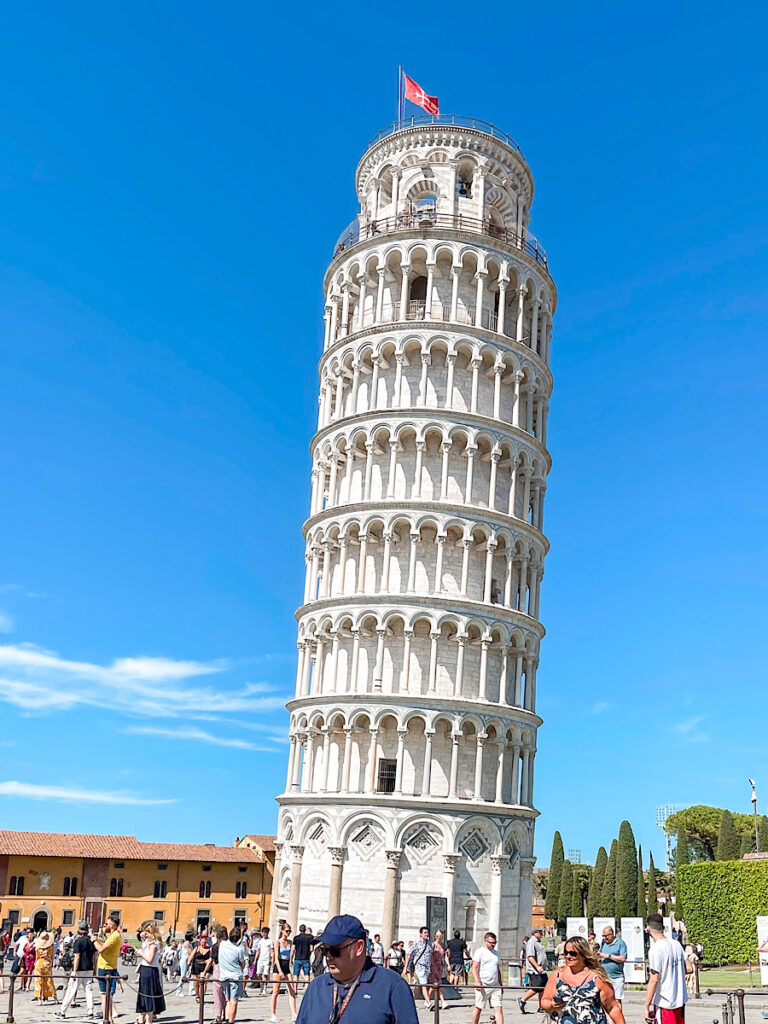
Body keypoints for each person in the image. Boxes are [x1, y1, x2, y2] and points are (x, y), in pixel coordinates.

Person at [294, 913, 418, 1024]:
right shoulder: (316, 986)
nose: (328, 957)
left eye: (334, 950)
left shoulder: (393, 986)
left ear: (359, 947)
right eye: (324, 950)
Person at [541, 936, 625, 1024]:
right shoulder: (557, 975)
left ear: (583, 955)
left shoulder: (597, 978)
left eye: (573, 953)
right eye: (566, 953)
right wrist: (552, 1005)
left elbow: (613, 1008)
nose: (568, 956)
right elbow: (545, 1001)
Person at [644, 913, 691, 1024]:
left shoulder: (656, 949)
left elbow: (654, 980)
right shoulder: (676, 944)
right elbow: (689, 968)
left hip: (665, 1001)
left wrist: (646, 1005)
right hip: (680, 999)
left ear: (648, 929)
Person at [56, 919, 96, 1020]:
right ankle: (90, 1011)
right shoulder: (91, 942)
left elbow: (77, 956)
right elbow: (95, 956)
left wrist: (74, 971)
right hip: (89, 968)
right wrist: (94, 968)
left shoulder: (78, 942)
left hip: (79, 969)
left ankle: (62, 1011)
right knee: (88, 990)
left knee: (71, 989)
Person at [136, 921, 166, 1024]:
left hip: (149, 970)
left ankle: (149, 1020)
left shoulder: (154, 944)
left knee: (149, 995)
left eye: (148, 931)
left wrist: (141, 953)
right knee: (143, 994)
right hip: (145, 969)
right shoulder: (148, 942)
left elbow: (150, 959)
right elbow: (141, 938)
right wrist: (143, 935)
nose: (146, 933)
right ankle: (141, 1017)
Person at [93, 918, 121, 1024]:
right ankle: (109, 1018)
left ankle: (107, 1019)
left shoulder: (113, 937)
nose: (105, 926)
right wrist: (98, 940)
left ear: (112, 926)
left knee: (104, 996)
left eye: (107, 924)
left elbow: (100, 950)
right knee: (107, 995)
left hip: (105, 968)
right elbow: (105, 947)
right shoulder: (115, 936)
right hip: (110, 967)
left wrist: (94, 941)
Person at [218, 926, 248, 1024]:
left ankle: (227, 1018)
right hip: (235, 977)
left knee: (228, 1000)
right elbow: (243, 964)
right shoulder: (239, 950)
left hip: (224, 976)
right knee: (234, 1001)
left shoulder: (222, 944)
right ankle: (231, 1021)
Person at [472, 931, 503, 1024]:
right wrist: (477, 982)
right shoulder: (479, 952)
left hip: (495, 985)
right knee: (479, 1007)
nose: (493, 945)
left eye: (495, 943)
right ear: (486, 941)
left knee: (498, 1008)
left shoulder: (496, 953)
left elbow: (497, 969)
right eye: (491, 943)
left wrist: (500, 984)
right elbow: (474, 967)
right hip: (483, 984)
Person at [270, 922, 296, 1023]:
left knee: (292, 990)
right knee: (276, 991)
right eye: (286, 931)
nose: (288, 933)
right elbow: (276, 957)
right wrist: (280, 971)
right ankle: (273, 1014)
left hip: (286, 966)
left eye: (289, 931)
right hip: (279, 966)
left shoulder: (290, 942)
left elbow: (291, 954)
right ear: (282, 931)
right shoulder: (278, 942)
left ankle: (294, 1014)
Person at [519, 926, 548, 1013]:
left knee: (543, 988)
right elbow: (530, 956)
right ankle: (522, 1000)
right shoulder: (531, 942)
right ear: (535, 933)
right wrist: (537, 966)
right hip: (535, 970)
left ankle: (541, 1007)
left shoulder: (539, 942)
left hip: (542, 970)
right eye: (540, 932)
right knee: (536, 987)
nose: (541, 934)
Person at [598, 926, 627, 1007]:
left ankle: (618, 1019)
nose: (605, 938)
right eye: (603, 936)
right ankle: (608, 1019)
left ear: (612, 934)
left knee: (617, 1000)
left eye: (606, 936)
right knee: (605, 1000)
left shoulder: (620, 943)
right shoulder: (603, 943)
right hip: (605, 977)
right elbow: (601, 955)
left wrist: (608, 956)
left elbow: (622, 958)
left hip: (617, 977)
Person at [208, 925, 229, 1023]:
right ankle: (227, 1014)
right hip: (228, 970)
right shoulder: (230, 946)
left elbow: (211, 960)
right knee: (227, 995)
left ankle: (218, 1016)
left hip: (218, 969)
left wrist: (205, 971)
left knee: (217, 995)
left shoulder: (215, 947)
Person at [411, 926, 433, 1010]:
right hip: (419, 967)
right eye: (425, 933)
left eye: (427, 932)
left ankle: (411, 1002)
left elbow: (431, 955)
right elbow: (410, 954)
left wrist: (432, 965)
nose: (426, 934)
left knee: (418, 986)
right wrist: (406, 967)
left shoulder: (429, 943)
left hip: (427, 967)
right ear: (421, 934)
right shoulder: (417, 942)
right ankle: (428, 1002)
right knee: (424, 985)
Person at [34, 930, 58, 1003]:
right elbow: (52, 956)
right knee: (49, 981)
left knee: (38, 981)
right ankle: (55, 998)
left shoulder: (38, 947)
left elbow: (37, 957)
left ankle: (39, 1000)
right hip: (47, 963)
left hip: (39, 963)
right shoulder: (51, 946)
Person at [428, 930, 447, 1011]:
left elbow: (445, 956)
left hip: (440, 966)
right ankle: (441, 1001)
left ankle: (428, 1000)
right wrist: (433, 965)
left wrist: (448, 965)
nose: (439, 938)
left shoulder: (443, 945)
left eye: (440, 936)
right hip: (434, 966)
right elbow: (431, 955)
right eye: (437, 936)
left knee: (437, 984)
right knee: (436, 984)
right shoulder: (433, 945)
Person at [191, 935, 212, 1003]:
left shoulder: (210, 949)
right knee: (196, 983)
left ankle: (202, 996)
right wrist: (188, 962)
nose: (203, 944)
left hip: (207, 967)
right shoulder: (197, 948)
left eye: (205, 942)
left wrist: (208, 960)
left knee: (204, 982)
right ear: (200, 942)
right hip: (196, 966)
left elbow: (212, 957)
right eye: (202, 942)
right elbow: (191, 956)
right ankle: (197, 996)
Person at [255, 926, 274, 994]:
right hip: (260, 959)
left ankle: (265, 989)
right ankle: (261, 985)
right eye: (263, 932)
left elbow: (272, 951)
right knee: (258, 974)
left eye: (265, 932)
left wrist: (272, 961)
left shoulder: (270, 941)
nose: (264, 934)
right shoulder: (260, 941)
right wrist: (255, 960)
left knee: (265, 974)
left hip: (267, 960)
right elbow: (258, 951)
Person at [176, 931, 195, 996]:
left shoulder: (190, 943)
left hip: (189, 960)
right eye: (192, 936)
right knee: (183, 976)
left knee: (192, 975)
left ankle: (191, 990)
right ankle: (179, 991)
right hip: (184, 960)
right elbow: (191, 952)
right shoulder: (186, 944)